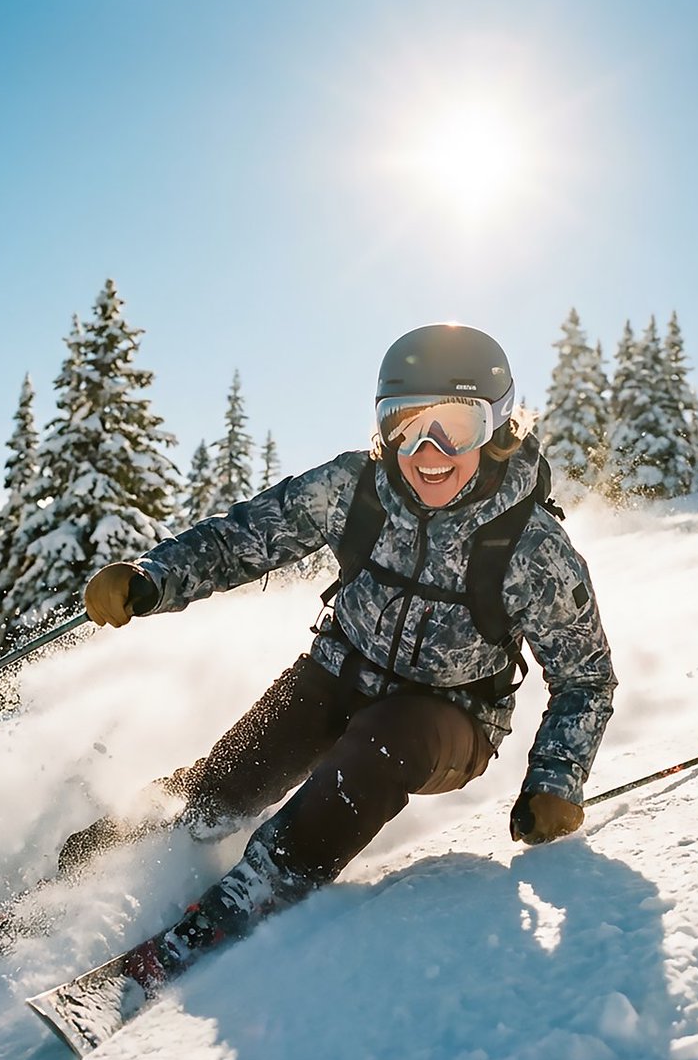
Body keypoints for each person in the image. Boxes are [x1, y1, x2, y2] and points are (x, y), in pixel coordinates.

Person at [69, 323, 617, 967]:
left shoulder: (532, 548)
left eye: (455, 426)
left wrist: (556, 778)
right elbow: (241, 539)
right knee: (222, 788)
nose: (427, 449)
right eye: (405, 425)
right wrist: (151, 578)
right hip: (334, 674)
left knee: (385, 739)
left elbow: (585, 679)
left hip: (449, 721)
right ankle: (98, 858)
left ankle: (262, 883)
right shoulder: (357, 489)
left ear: (497, 429)